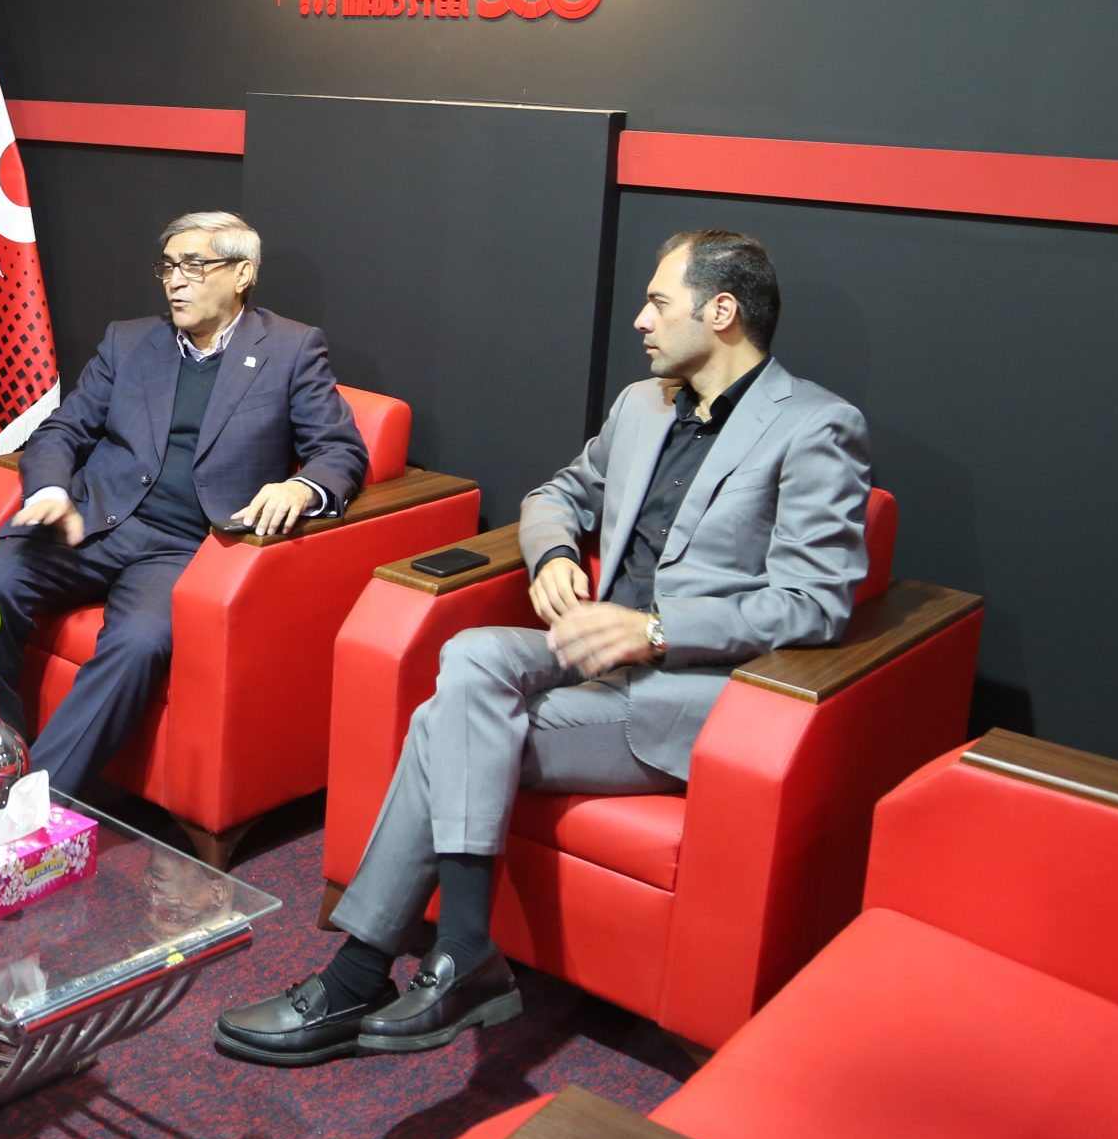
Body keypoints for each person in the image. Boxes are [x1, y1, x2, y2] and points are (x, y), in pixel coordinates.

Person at [215, 229, 871, 1067]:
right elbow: (558, 492)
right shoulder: (642, 405)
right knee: (471, 655)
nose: (640, 320)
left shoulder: (816, 427)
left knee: (441, 723)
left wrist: (658, 629)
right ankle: (460, 956)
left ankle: (363, 975)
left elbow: (814, 602)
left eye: (658, 302)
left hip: (693, 693)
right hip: (593, 647)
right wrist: (555, 552)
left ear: (721, 311)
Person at [0, 211, 370, 800]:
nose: (175, 280)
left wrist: (301, 488)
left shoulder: (291, 348)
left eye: (194, 266)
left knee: (138, 644)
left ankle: (32, 801)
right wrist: (48, 490)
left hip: (186, 547)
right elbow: (63, 430)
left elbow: (339, 450)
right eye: (169, 266)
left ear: (242, 274)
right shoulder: (129, 341)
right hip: (95, 522)